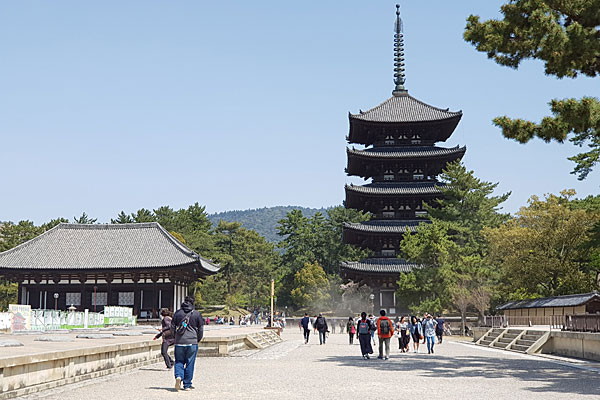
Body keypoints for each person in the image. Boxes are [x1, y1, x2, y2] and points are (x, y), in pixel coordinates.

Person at [171, 295, 204, 391]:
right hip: (192, 341)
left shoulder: (177, 313)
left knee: (179, 361)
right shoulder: (197, 314)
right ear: (193, 303)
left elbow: (172, 327)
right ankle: (187, 384)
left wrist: (175, 337)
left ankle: (178, 376)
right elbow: (201, 329)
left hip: (179, 342)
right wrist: (197, 339)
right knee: (190, 362)